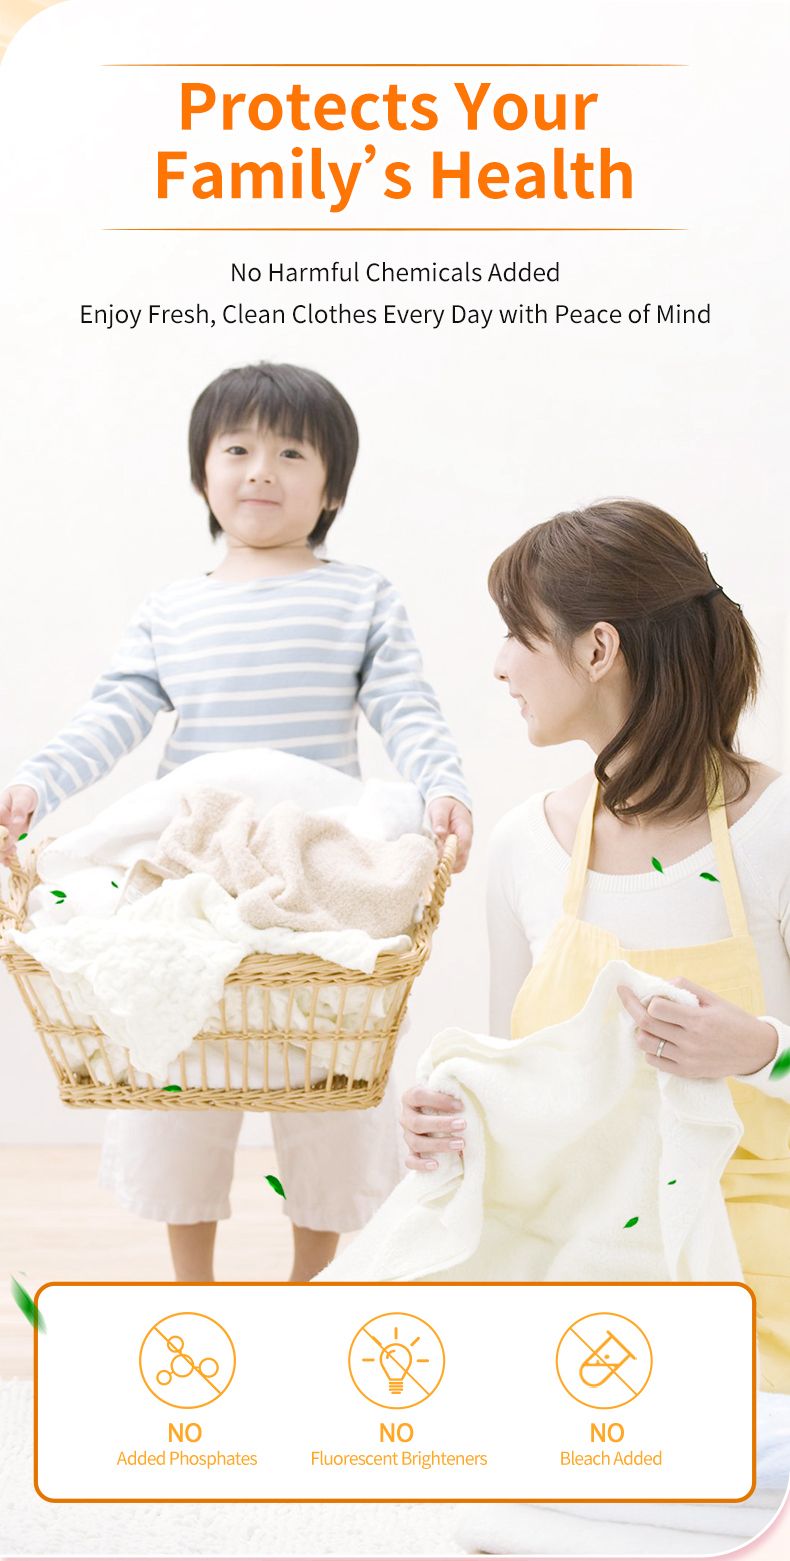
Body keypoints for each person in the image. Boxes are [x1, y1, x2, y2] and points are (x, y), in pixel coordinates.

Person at [0, 359, 473, 1283]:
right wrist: (35, 784)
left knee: (327, 1068)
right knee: (177, 1057)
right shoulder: (172, 609)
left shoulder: (361, 596)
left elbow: (407, 706)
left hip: (313, 856)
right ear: (202, 473)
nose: (262, 469)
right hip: (197, 856)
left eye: (292, 453)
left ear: (332, 489)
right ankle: (196, 1286)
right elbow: (113, 713)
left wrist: (440, 787)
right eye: (238, 448)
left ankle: (307, 1282)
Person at [401, 498, 790, 1391]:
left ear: (598, 648)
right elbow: (512, 1077)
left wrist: (760, 1049)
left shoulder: (777, 828)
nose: (500, 664)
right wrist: (447, 1119)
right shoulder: (522, 847)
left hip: (752, 1243)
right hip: (572, 1243)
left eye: (518, 633)